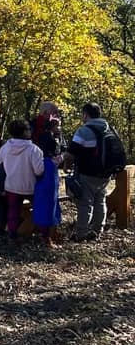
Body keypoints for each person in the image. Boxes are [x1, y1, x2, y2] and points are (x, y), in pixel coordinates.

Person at [68, 102, 116, 242]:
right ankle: (97, 230)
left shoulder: (84, 130)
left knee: (85, 203)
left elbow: (71, 153)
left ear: (86, 114)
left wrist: (66, 165)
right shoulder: (109, 129)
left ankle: (81, 234)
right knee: (100, 200)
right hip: (106, 173)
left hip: (87, 172)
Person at [0, 120, 44, 240]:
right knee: (40, 208)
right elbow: (39, 170)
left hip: (11, 186)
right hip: (31, 187)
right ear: (24, 132)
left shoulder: (6, 147)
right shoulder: (34, 150)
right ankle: (42, 232)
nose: (30, 131)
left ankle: (12, 234)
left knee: (13, 212)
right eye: (28, 129)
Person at [33, 122, 63, 247]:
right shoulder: (50, 140)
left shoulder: (38, 156)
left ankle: (47, 234)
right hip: (49, 178)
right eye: (58, 125)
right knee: (50, 206)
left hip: (41, 182)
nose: (59, 128)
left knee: (46, 206)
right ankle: (48, 237)